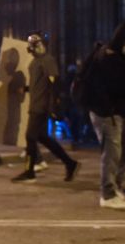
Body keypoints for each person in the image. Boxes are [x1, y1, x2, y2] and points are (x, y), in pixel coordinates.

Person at [82, 23, 125, 209]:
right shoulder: (109, 58)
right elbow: (121, 86)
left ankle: (115, 186)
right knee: (111, 153)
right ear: (123, 40)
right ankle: (108, 194)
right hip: (106, 113)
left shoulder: (118, 57)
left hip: (117, 112)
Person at [11, 32, 80, 183]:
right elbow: (40, 83)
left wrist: (52, 105)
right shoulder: (36, 61)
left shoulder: (47, 60)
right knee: (42, 137)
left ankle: (29, 172)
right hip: (36, 103)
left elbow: (53, 83)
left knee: (30, 137)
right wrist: (27, 89)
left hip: (41, 106)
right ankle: (70, 163)